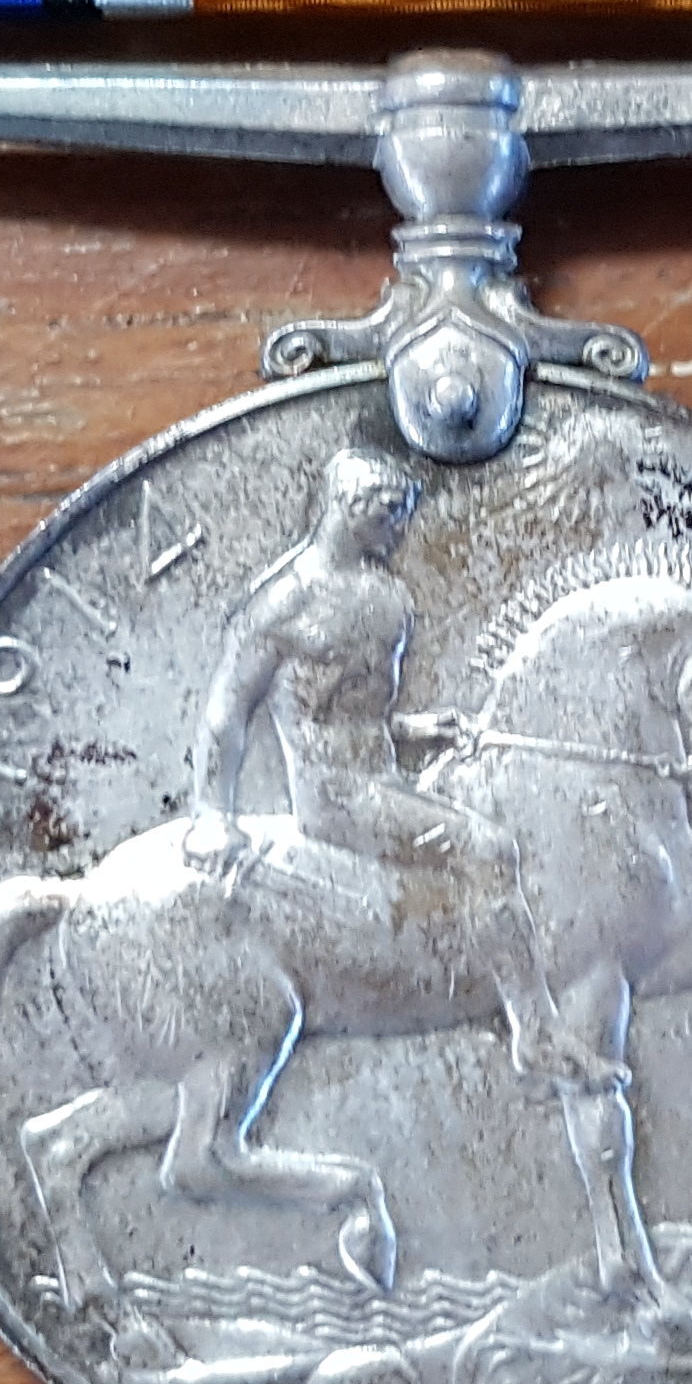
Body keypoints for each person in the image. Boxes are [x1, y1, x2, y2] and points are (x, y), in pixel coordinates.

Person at [185, 448, 608, 1089]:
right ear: (349, 509)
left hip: (383, 779)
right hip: (336, 800)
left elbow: (354, 713)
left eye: (403, 514)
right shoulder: (282, 604)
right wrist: (212, 815)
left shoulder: (388, 599)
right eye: (389, 514)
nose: (400, 528)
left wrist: (417, 729)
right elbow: (228, 710)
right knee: (489, 849)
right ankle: (537, 1035)